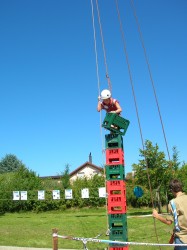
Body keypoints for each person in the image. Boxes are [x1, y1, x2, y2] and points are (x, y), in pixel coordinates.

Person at [152, 179, 187, 250]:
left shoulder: (173, 202)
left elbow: (168, 222)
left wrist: (157, 215)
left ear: (172, 190)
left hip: (182, 240)